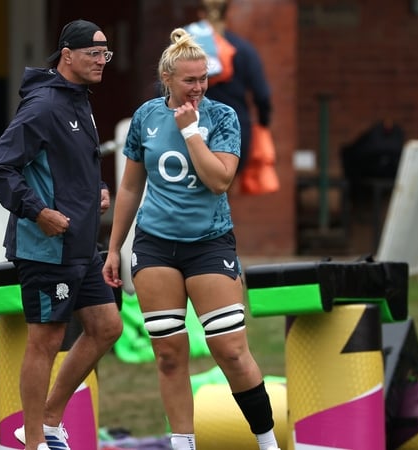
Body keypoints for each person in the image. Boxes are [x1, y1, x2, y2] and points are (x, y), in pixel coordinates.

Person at [101, 28, 279, 450]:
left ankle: (267, 441)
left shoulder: (222, 117)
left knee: (231, 351)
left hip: (209, 244)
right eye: (189, 80)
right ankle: (183, 444)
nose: (198, 87)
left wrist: (191, 132)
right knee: (168, 355)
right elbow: (130, 188)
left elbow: (220, 180)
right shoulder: (145, 117)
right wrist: (113, 248)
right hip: (155, 246)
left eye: (204, 78)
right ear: (167, 78)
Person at [0, 19, 123, 450]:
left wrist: (98, 189)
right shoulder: (43, 106)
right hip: (46, 248)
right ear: (67, 55)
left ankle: (47, 419)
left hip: (81, 245)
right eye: (93, 53)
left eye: (105, 53)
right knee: (46, 341)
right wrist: (39, 212)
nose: (101, 61)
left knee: (107, 327)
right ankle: (32, 442)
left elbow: (73, 162)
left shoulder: (79, 99)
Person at [197, 0, 271, 173]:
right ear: (228, 14)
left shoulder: (184, 49)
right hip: (234, 128)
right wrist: (263, 122)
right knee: (226, 182)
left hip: (193, 126)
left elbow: (163, 89)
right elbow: (262, 95)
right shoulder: (243, 49)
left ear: (200, 14)